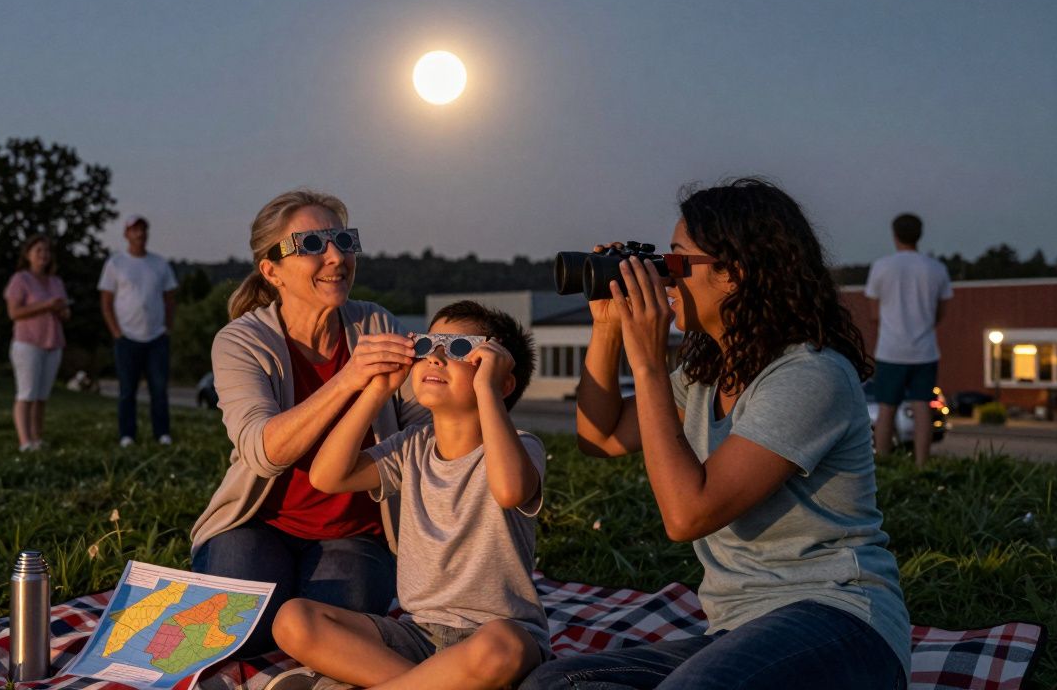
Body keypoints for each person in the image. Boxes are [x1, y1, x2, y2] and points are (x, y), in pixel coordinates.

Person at [522, 179, 910, 690]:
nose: (663, 278)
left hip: (837, 618)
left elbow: (688, 514)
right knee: (555, 682)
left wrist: (649, 364)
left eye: (676, 261)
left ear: (733, 273)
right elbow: (601, 438)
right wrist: (609, 329)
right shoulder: (706, 375)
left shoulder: (811, 375)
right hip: (737, 627)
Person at [188, 189, 429, 657]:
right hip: (258, 523)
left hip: (353, 532)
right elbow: (263, 452)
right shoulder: (241, 341)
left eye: (344, 240)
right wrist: (349, 379)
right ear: (271, 270)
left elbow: (423, 433)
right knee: (234, 638)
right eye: (313, 244)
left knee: (335, 640)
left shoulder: (377, 325)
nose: (336, 257)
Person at [269, 301, 547, 690]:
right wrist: (377, 391)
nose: (435, 357)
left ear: (501, 381)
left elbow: (509, 490)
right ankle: (439, 684)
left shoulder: (520, 445)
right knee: (293, 620)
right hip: (418, 634)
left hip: (494, 633)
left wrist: (488, 390)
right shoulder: (411, 446)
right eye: (427, 344)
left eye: (460, 349)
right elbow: (326, 476)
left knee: (505, 647)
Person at [865, 213, 953, 467]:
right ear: (920, 235)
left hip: (891, 351)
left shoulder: (882, 267)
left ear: (894, 235)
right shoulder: (936, 269)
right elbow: (940, 313)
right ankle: (921, 464)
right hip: (925, 351)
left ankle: (883, 463)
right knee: (923, 406)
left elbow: (874, 314)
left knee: (886, 408)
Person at [98, 214, 178, 447]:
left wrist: (167, 328)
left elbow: (170, 298)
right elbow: (106, 302)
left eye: (142, 229)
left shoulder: (159, 264)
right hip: (127, 338)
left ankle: (162, 434)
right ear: (126, 234)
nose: (139, 234)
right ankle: (127, 435)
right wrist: (116, 332)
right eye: (134, 230)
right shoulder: (115, 264)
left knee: (159, 389)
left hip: (156, 337)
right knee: (127, 390)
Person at [4, 234, 69, 452]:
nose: (43, 255)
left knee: (42, 396)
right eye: (38, 250)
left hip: (53, 342)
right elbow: (14, 312)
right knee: (27, 393)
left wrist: (61, 310)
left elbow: (65, 312)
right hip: (28, 342)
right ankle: (25, 442)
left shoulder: (56, 282)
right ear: (28, 255)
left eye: (47, 251)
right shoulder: (20, 280)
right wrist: (46, 305)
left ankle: (37, 439)